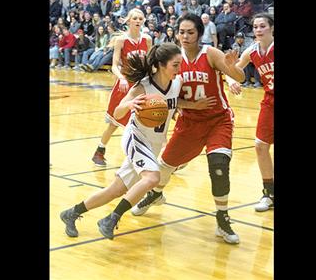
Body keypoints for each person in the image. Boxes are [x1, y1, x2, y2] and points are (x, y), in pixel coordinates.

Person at [60, 43, 214, 239]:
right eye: (175, 65)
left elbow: (173, 102)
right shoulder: (144, 85)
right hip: (136, 138)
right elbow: (118, 112)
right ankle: (111, 219)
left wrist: (195, 105)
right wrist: (130, 104)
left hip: (154, 144)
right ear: (160, 65)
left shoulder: (176, 83)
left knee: (115, 190)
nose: (179, 68)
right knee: (152, 178)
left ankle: (71, 213)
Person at [131, 13, 245, 244]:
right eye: (181, 32)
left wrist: (232, 70)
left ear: (199, 34)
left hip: (217, 120)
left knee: (219, 166)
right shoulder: (173, 57)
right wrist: (189, 105)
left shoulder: (210, 54)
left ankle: (222, 218)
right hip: (189, 122)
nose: (185, 36)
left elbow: (240, 76)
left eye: (190, 32)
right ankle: (155, 194)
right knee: (164, 168)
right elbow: (165, 92)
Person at [91, 9, 152, 166]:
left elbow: (151, 62)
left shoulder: (147, 39)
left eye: (140, 18)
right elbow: (115, 66)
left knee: (146, 121)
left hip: (142, 84)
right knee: (114, 124)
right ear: (129, 21)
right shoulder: (121, 41)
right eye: (135, 18)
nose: (138, 21)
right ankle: (99, 150)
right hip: (124, 86)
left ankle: (151, 156)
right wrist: (122, 78)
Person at [230, 13, 274, 211]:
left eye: (262, 26)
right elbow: (234, 69)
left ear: (271, 28)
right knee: (260, 145)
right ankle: (269, 192)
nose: (258, 30)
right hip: (270, 101)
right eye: (255, 27)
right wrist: (231, 80)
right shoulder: (252, 51)